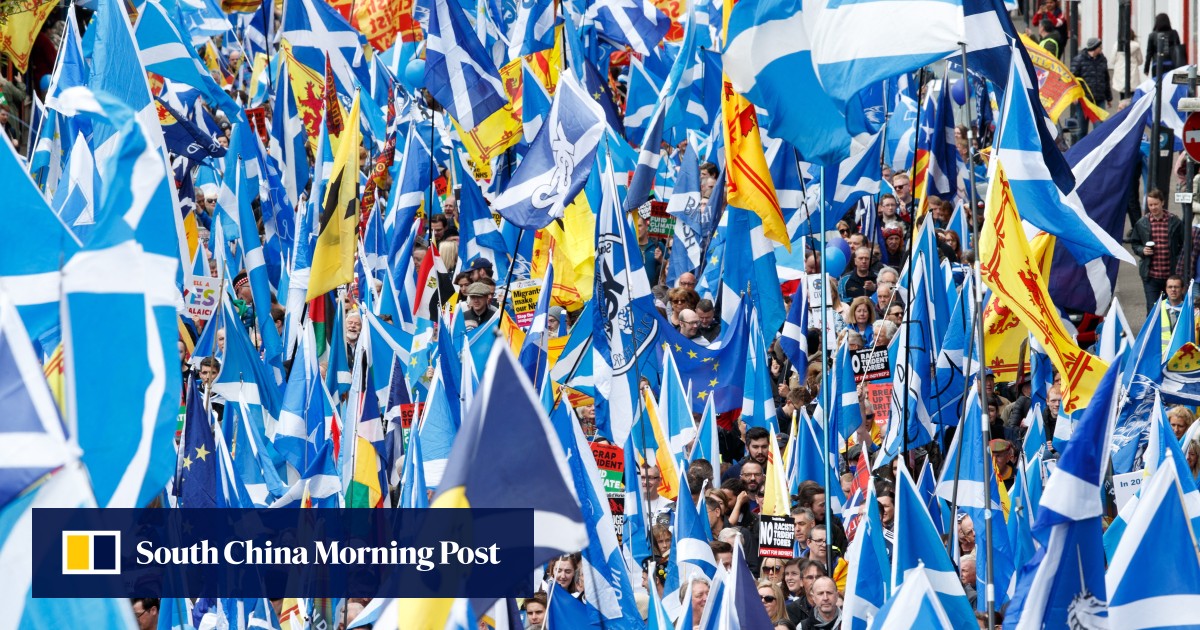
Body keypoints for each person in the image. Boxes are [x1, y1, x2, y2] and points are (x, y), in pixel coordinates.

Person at [1131, 189, 1184, 314]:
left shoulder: (1174, 222)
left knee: (1172, 309)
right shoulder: (1142, 223)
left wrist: (1179, 262)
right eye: (1150, 205)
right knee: (1153, 310)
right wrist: (1142, 250)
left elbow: (1185, 244)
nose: (1153, 207)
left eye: (1156, 204)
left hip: (1171, 276)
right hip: (1151, 276)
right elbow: (1134, 243)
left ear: (1162, 203)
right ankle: (1152, 334)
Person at [1071, 38, 1112, 138]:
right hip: (1084, 101)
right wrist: (1074, 95)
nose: (1101, 48)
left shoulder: (1103, 59)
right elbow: (1071, 79)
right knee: (1081, 130)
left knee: (1099, 129)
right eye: (1100, 47)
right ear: (1095, 48)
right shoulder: (1079, 60)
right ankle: (1080, 151)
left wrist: (1109, 98)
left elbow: (1106, 79)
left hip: (1099, 99)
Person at [1111, 28, 1144, 99]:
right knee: (1133, 96)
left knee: (1122, 96)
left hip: (1120, 72)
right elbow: (1140, 61)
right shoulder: (1136, 46)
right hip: (1133, 73)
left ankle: (1123, 108)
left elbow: (1112, 60)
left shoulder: (1117, 45)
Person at [638, 215, 666, 285]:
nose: (637, 229)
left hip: (654, 291)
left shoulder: (658, 245)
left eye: (639, 226)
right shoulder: (629, 247)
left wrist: (661, 259)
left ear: (647, 227)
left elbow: (671, 268)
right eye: (635, 226)